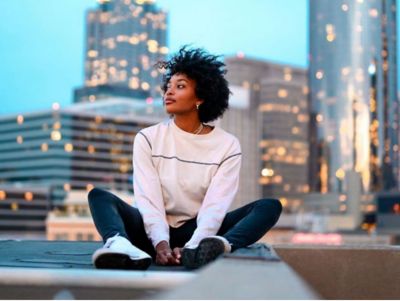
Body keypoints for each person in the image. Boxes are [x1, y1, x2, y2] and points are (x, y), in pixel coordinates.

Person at [88, 46, 282, 270]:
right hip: (149, 234)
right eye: (168, 87)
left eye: (180, 87)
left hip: (199, 233)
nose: (168, 92)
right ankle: (120, 245)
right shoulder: (148, 138)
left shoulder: (227, 145)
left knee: (269, 206)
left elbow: (215, 206)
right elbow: (148, 200)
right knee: (99, 197)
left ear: (200, 97)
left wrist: (195, 244)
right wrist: (161, 244)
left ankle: (219, 247)